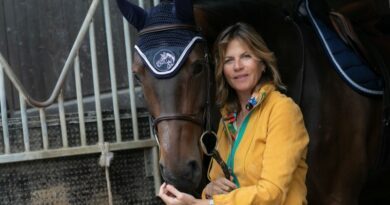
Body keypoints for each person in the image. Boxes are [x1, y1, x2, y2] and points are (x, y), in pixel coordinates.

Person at [159, 22, 309, 205]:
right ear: (222, 70)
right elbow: (217, 184)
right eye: (229, 60)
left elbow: (272, 193)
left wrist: (202, 204)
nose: (237, 66)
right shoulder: (227, 118)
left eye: (246, 56)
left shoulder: (282, 111)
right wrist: (209, 190)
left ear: (263, 64)